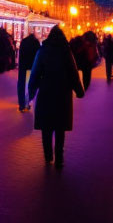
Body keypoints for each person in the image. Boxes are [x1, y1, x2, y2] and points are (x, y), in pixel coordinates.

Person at [28, 26, 85, 167]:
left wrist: (31, 92)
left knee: (46, 127)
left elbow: (35, 73)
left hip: (46, 93)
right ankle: (59, 158)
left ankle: (48, 156)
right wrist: (79, 91)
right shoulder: (66, 51)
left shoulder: (42, 51)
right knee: (60, 128)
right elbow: (73, 74)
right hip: (62, 94)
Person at [17, 30, 40, 111]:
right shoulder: (36, 43)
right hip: (32, 66)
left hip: (23, 66)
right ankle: (27, 103)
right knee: (30, 86)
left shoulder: (23, 42)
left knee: (21, 85)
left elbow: (20, 54)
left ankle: (21, 104)